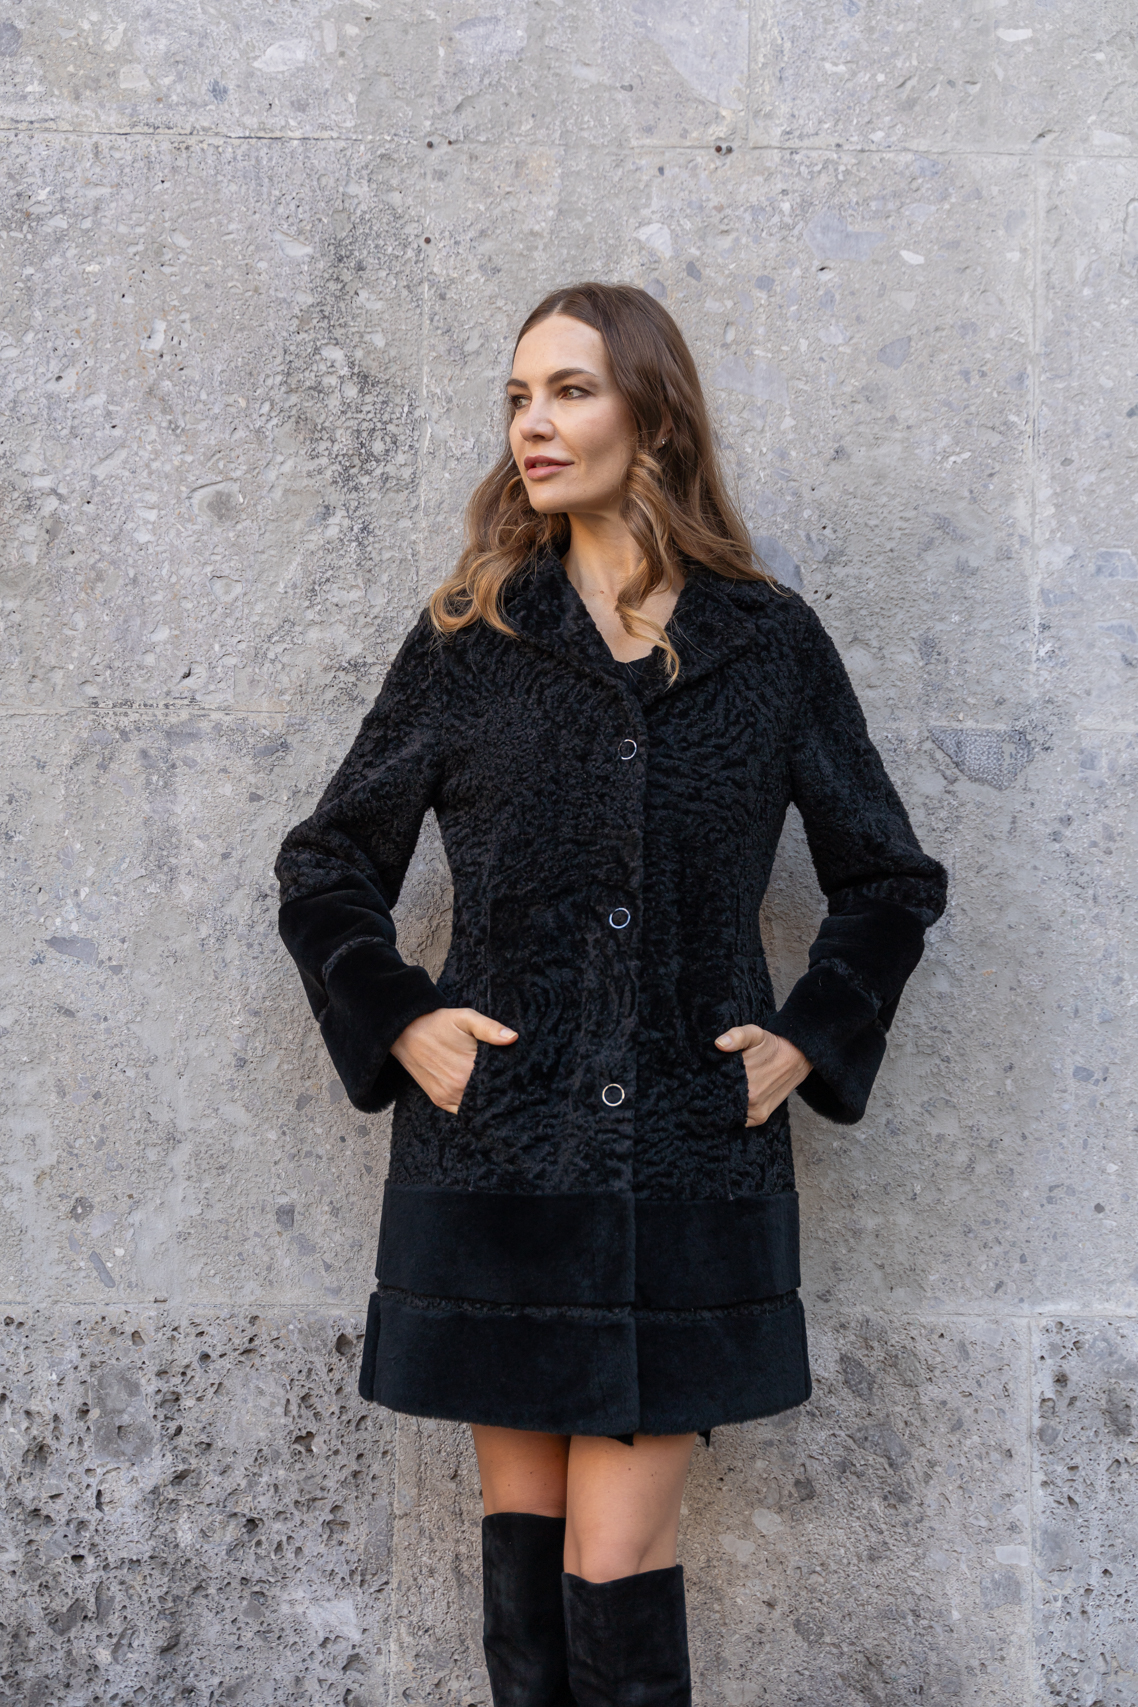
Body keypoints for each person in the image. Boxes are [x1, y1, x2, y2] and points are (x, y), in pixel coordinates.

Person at [275, 282, 948, 1706]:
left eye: (570, 390)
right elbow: (326, 865)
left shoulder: (767, 643)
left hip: (686, 1170)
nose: (534, 423)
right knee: (524, 1567)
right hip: (497, 1162)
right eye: (519, 397)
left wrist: (807, 1037)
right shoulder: (472, 637)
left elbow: (889, 879)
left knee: (614, 1561)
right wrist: (401, 1017)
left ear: (655, 417)